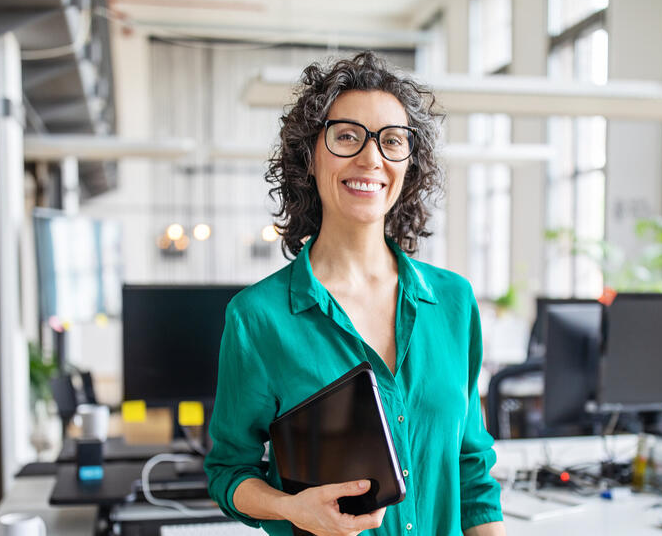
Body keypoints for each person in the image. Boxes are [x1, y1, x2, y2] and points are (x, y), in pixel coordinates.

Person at [204, 51, 505, 536]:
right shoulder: (258, 319)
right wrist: (290, 507)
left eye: (392, 142)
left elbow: (472, 470)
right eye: (347, 136)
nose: (371, 158)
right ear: (310, 155)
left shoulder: (453, 303)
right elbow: (229, 472)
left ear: (409, 165)